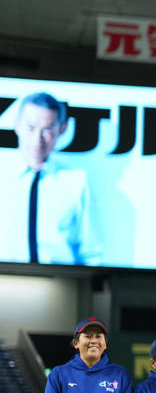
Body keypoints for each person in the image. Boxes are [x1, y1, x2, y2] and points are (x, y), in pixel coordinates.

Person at [0, 92, 99, 266]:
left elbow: (90, 250)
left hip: (61, 282)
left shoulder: (76, 181)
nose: (37, 139)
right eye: (30, 127)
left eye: (47, 130)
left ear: (62, 129)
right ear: (16, 125)